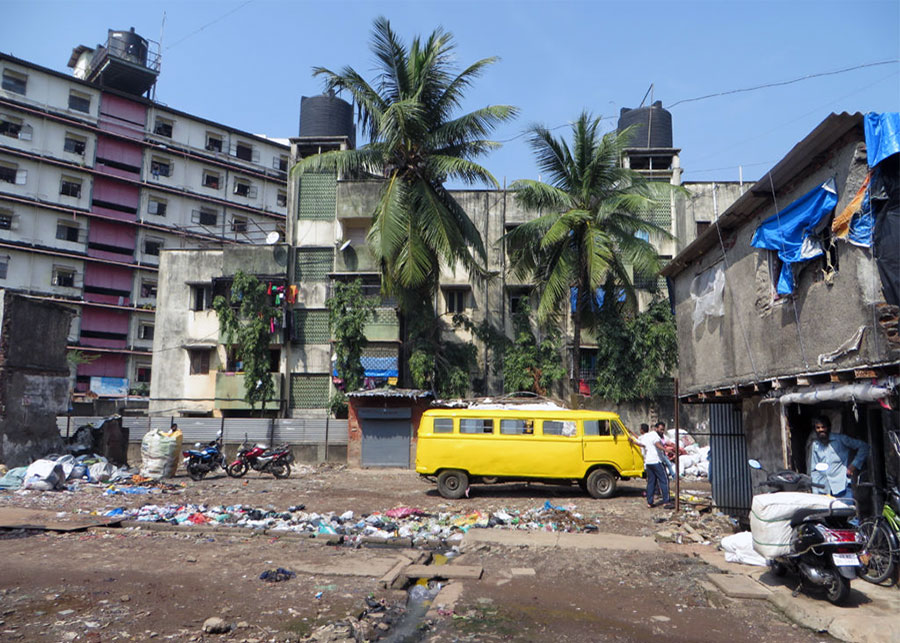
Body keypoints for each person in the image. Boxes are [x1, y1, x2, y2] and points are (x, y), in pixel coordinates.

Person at [807, 416, 869, 499]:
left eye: (823, 427)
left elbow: (864, 447)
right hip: (824, 490)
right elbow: (814, 470)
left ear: (828, 428)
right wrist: (815, 492)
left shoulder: (841, 439)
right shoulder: (816, 445)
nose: (821, 430)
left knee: (845, 511)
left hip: (842, 487)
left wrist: (853, 465)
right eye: (818, 428)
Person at [638, 424, 672, 508]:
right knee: (664, 480)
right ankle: (666, 501)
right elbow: (657, 444)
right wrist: (666, 449)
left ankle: (650, 502)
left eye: (663, 430)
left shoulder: (646, 436)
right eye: (661, 429)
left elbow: (642, 444)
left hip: (648, 463)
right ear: (656, 429)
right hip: (656, 461)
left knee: (651, 482)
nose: (662, 431)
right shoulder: (655, 436)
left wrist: (632, 442)